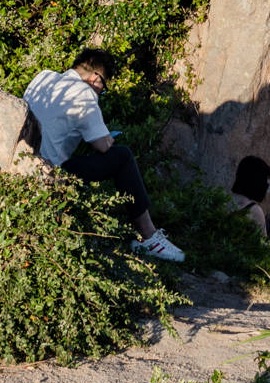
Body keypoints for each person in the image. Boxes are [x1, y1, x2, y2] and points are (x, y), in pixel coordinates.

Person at [23, 48, 185, 262]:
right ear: (95, 78)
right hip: (49, 171)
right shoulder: (85, 93)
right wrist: (109, 138)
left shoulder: (44, 76)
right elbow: (103, 146)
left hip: (22, 162)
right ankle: (150, 238)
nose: (100, 94)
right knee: (122, 156)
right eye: (103, 89)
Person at [230, 154, 270, 239]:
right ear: (257, 182)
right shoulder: (253, 210)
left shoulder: (225, 200)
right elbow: (264, 250)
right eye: (265, 181)